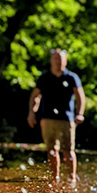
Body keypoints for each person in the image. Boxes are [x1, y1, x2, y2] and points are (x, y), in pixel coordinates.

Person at [27, 48, 85, 183]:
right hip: (47, 118)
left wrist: (80, 113)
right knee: (52, 150)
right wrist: (32, 113)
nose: (58, 61)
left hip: (67, 119)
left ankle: (71, 177)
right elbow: (35, 96)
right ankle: (55, 178)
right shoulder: (44, 78)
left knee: (68, 150)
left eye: (60, 58)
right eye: (55, 58)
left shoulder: (71, 77)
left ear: (65, 61)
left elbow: (80, 96)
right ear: (51, 61)